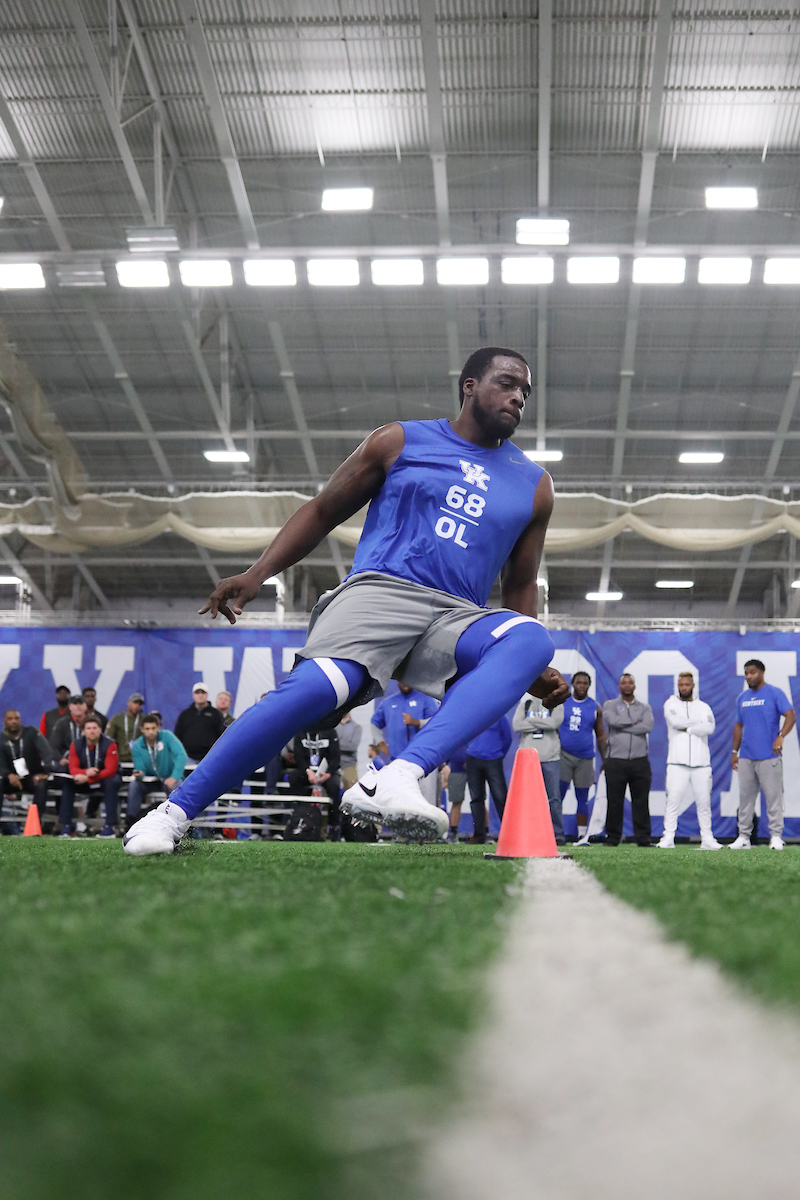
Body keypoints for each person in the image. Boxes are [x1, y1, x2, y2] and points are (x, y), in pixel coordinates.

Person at [123, 346, 567, 856]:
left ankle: (398, 775)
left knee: (531, 638)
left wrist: (524, 662)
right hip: (377, 594)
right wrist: (258, 574)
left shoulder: (535, 485)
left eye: (525, 392)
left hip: (455, 616)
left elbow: (520, 583)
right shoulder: (401, 439)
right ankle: (172, 814)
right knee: (309, 694)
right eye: (507, 383)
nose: (518, 397)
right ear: (469, 385)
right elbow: (323, 510)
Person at [730, 658, 796, 851]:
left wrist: (781, 736)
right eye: (746, 673)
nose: (749, 676)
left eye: (752, 672)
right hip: (746, 756)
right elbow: (739, 725)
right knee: (745, 799)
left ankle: (776, 836)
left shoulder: (775, 693)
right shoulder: (742, 698)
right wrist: (735, 751)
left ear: (761, 673)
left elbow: (790, 715)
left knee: (773, 797)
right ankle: (743, 837)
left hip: (769, 755)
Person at [660, 672, 721, 850]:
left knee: (704, 802)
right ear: (678, 685)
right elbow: (674, 721)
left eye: (687, 684)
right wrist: (696, 725)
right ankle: (668, 837)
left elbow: (709, 727)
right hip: (677, 762)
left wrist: (687, 728)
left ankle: (707, 838)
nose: (684, 687)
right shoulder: (671, 703)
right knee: (673, 801)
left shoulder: (704, 706)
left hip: (701, 763)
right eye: (681, 684)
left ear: (693, 685)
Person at [602, 673, 654, 847]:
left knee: (641, 801)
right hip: (615, 760)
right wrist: (633, 722)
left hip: (639, 760)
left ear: (634, 686)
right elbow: (612, 721)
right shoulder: (610, 705)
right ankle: (612, 837)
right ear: (619, 686)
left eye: (630, 682)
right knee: (614, 801)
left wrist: (624, 726)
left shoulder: (644, 707)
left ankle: (644, 838)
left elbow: (647, 726)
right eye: (623, 682)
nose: (627, 685)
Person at [371, 683, 440, 803]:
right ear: (397, 682)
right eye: (402, 680)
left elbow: (437, 722)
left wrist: (417, 722)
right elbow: (374, 723)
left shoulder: (426, 699)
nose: (406, 684)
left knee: (425, 803)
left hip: (423, 764)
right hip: (397, 763)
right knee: (399, 803)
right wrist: (380, 743)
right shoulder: (388, 703)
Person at [559, 671, 606, 845]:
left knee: (582, 797)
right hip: (563, 755)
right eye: (579, 682)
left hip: (585, 759)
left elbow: (600, 735)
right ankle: (554, 831)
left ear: (589, 685)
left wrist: (605, 759)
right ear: (572, 683)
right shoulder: (563, 703)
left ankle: (581, 835)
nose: (582, 686)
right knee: (558, 795)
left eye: (585, 683)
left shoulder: (595, 707)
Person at [513, 692, 566, 843]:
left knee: (553, 799)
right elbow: (517, 725)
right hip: (529, 758)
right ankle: (529, 834)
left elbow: (555, 723)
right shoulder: (526, 703)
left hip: (550, 757)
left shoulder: (556, 703)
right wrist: (543, 722)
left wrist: (530, 720)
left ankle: (558, 835)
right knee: (528, 799)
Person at [60, 716, 120, 838]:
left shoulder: (110, 744)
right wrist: (86, 772)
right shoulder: (76, 745)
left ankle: (109, 827)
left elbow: (110, 770)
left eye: (94, 728)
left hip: (103, 780)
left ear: (100, 730)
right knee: (68, 783)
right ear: (83, 731)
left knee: (112, 782)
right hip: (85, 780)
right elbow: (73, 769)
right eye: (88, 728)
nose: (91, 731)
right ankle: (65, 826)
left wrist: (89, 778)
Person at [126, 714, 187, 829]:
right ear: (142, 729)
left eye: (153, 728)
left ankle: (178, 825)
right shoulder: (138, 745)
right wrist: (139, 774)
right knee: (134, 785)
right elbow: (140, 767)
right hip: (150, 780)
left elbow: (181, 756)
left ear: (158, 727)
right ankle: (131, 822)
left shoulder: (167, 736)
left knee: (176, 786)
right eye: (147, 729)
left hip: (169, 777)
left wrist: (174, 776)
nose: (151, 732)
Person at [0, 708, 55, 827]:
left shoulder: (31, 732)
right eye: (10, 719)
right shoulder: (1, 738)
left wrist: (46, 771)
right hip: (10, 779)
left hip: (31, 777)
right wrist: (8, 775)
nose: (14, 721)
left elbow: (46, 751)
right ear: (4, 722)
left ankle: (35, 822)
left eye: (16, 718)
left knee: (42, 784)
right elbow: (1, 762)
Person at [465, 715, 512, 844]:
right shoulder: (472, 716)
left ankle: (509, 835)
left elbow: (507, 738)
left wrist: (497, 753)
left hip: (494, 759)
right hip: (473, 759)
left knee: (501, 798)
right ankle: (479, 836)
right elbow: (463, 736)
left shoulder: (500, 715)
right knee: (476, 799)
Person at [174, 685, 226, 762]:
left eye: (203, 693)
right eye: (197, 693)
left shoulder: (215, 714)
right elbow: (177, 736)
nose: (200, 695)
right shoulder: (185, 714)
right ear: (193, 695)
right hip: (188, 757)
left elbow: (221, 736)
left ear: (207, 695)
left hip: (209, 757)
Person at [106, 693, 145, 764]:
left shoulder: (144, 720)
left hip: (140, 758)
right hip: (121, 758)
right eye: (135, 702)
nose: (137, 706)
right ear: (128, 703)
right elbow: (109, 739)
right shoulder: (117, 719)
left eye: (139, 704)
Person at [50, 695, 89, 765]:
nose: (78, 706)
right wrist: (60, 759)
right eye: (75, 704)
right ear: (70, 706)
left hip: (89, 760)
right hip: (67, 762)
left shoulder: (93, 723)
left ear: (85, 706)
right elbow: (53, 745)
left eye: (81, 703)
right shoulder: (62, 724)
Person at [443, 744, 468, 843]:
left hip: (475, 765)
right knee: (456, 801)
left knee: (479, 800)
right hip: (456, 767)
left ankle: (483, 833)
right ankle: (453, 833)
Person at [337, 712, 362, 790]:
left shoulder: (356, 727)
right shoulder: (333, 726)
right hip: (332, 763)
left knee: (352, 788)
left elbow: (353, 747)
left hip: (349, 763)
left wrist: (335, 744)